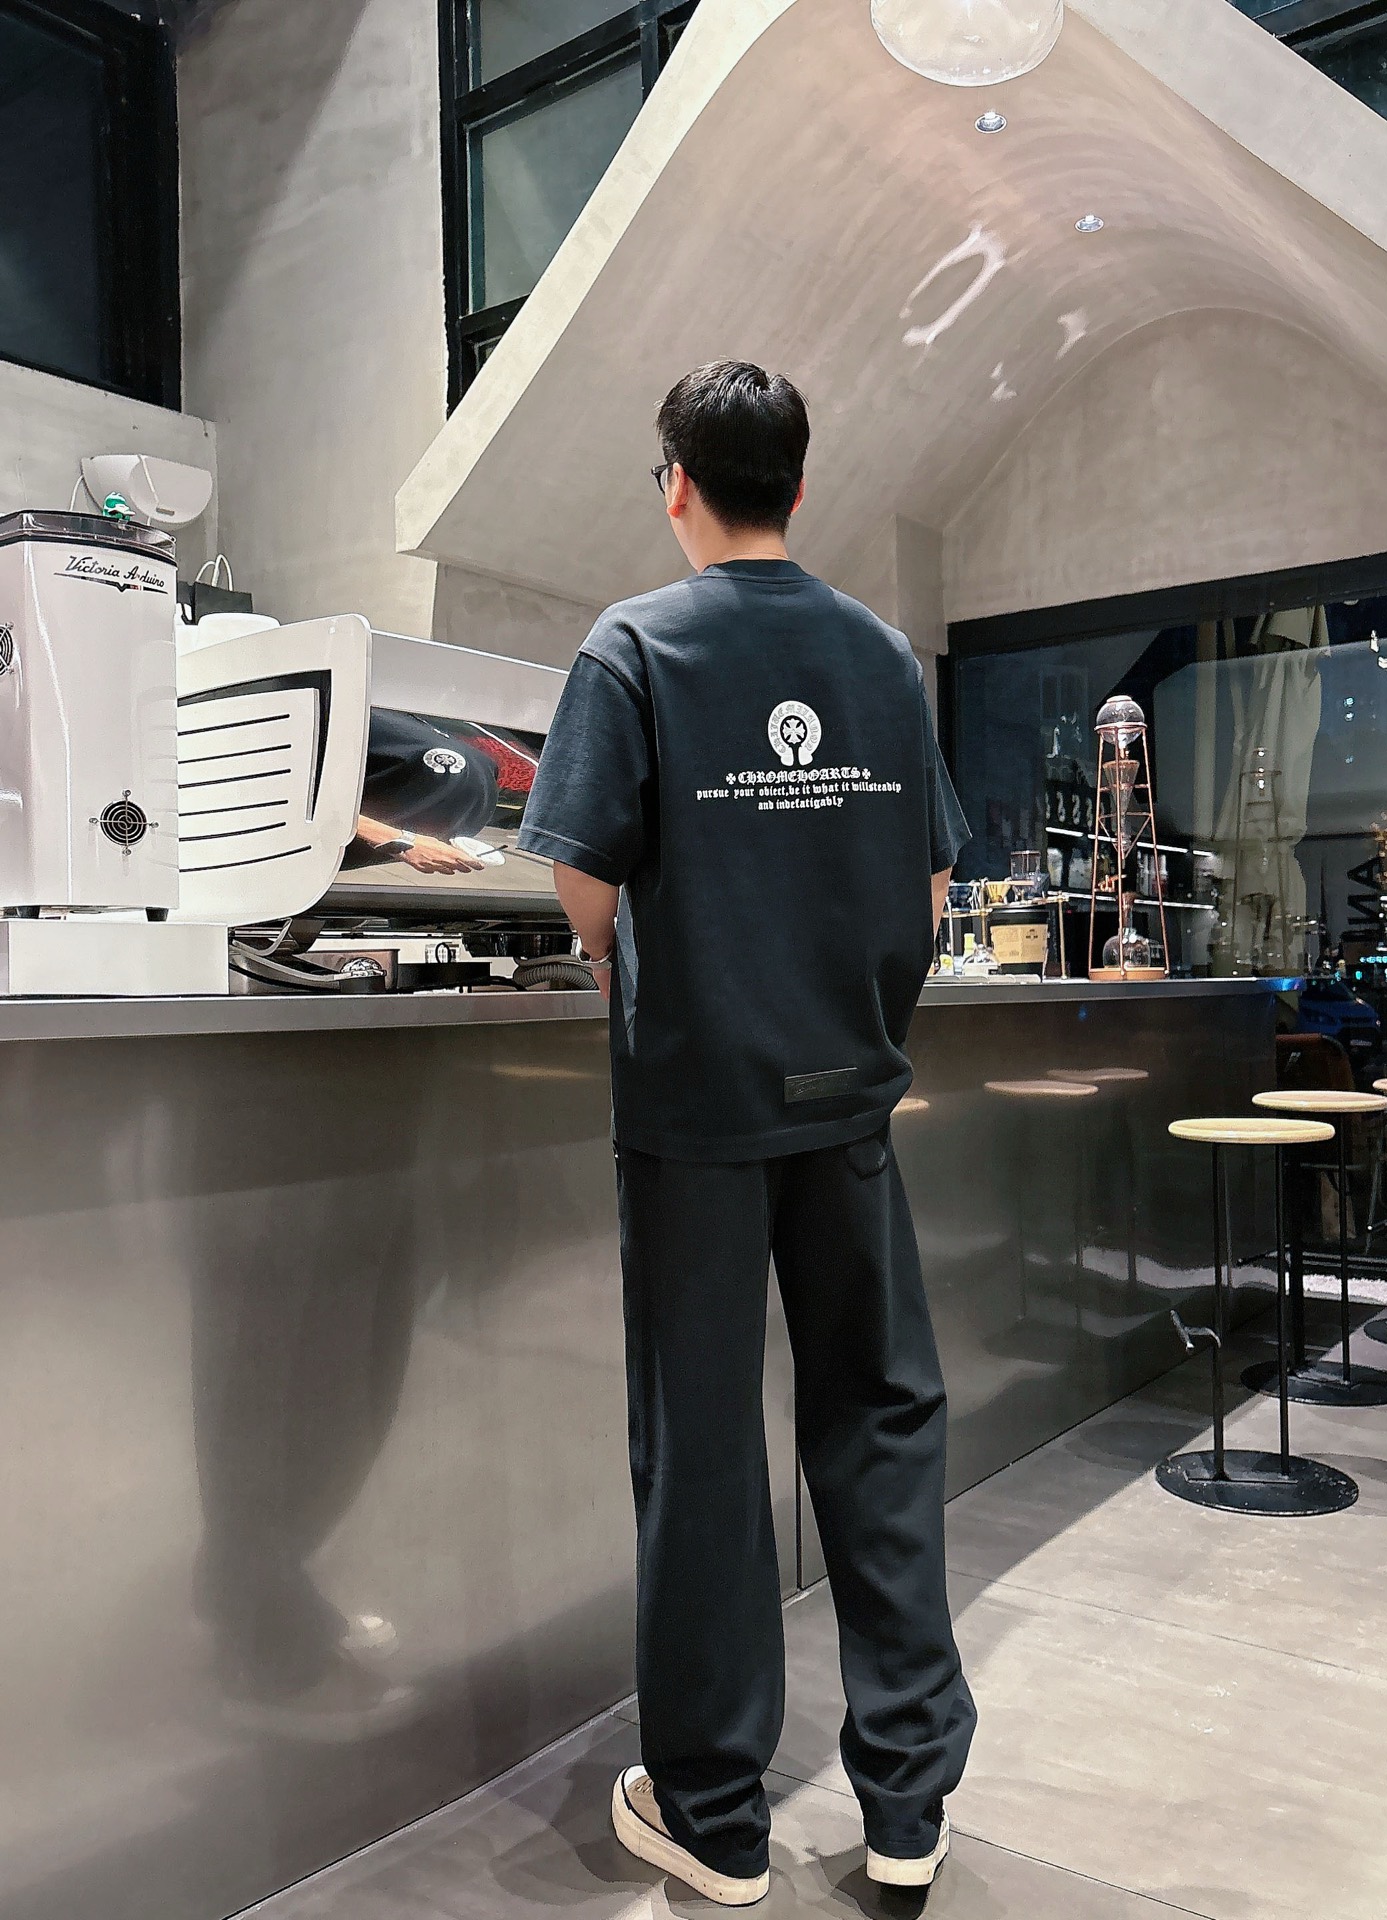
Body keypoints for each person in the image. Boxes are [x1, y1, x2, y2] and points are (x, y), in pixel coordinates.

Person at [516, 362, 977, 1907]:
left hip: (696, 1117)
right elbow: (927, 889)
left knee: (706, 1448)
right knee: (881, 1423)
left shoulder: (635, 646)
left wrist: (640, 943)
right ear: (799, 483)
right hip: (848, 1110)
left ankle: (715, 1818)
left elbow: (582, 885)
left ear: (676, 484)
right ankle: (906, 1799)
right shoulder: (882, 657)